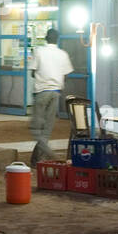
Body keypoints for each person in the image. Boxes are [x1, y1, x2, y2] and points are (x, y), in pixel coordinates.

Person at [28, 27, 74, 166]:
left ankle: (49, 155)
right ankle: (36, 160)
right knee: (46, 130)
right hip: (56, 93)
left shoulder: (39, 51)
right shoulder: (63, 54)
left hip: (41, 91)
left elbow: (32, 72)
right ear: (57, 39)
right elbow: (66, 74)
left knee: (36, 130)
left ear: (46, 38)